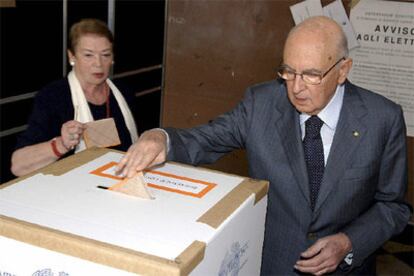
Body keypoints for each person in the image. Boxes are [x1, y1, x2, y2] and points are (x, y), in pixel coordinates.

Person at [116, 16, 411, 275]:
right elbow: (206, 138)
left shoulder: (382, 119)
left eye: (311, 75)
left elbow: (393, 207)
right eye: (288, 71)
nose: (296, 87)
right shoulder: (262, 105)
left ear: (343, 70)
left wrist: (349, 242)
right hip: (272, 265)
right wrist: (160, 138)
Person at [11, 18, 138, 176]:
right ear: (72, 56)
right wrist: (61, 144)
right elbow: (18, 165)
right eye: (88, 55)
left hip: (119, 181)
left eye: (105, 55)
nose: (98, 63)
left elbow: (140, 143)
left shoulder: (123, 92)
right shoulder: (54, 96)